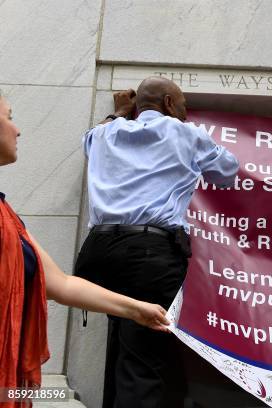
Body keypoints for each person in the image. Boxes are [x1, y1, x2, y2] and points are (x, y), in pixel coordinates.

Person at [75, 76, 239, 408]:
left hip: (98, 252)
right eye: (182, 105)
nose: (185, 111)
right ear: (168, 103)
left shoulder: (105, 132)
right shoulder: (185, 133)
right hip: (150, 255)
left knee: (121, 344)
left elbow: (89, 144)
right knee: (143, 359)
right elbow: (228, 170)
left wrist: (119, 112)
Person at [0, 94, 170, 407]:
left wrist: (136, 309)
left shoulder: (8, 217)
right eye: (9, 117)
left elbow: (60, 284)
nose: (18, 129)